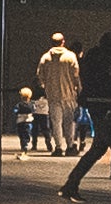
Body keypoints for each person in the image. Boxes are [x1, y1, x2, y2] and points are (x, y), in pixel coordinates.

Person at [60, 27, 111, 200]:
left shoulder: (93, 54)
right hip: (109, 106)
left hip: (95, 105)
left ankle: (70, 185)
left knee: (99, 147)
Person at [36, 32, 84, 165]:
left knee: (55, 122)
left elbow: (40, 76)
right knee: (70, 122)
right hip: (69, 94)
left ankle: (58, 147)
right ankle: (70, 146)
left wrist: (46, 87)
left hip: (53, 95)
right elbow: (76, 75)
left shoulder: (45, 57)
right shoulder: (70, 56)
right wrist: (79, 90)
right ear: (63, 42)